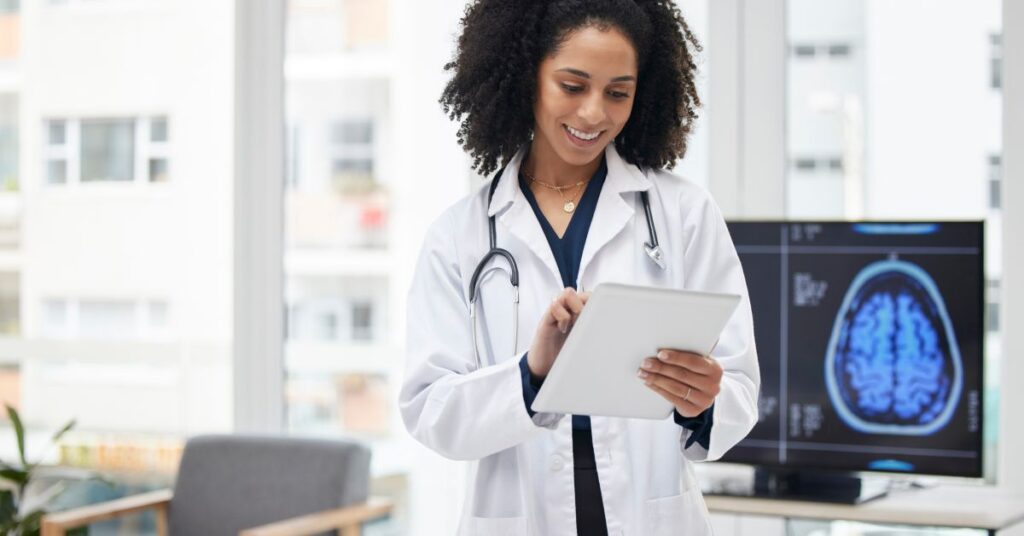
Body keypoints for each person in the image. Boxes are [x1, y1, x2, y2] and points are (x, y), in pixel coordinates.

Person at [399, 1, 759, 534]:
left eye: (618, 92)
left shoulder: (682, 214)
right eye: (572, 85)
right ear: (528, 78)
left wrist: (703, 401)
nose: (594, 113)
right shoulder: (460, 235)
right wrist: (532, 373)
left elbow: (739, 388)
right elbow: (432, 411)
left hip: (650, 513)